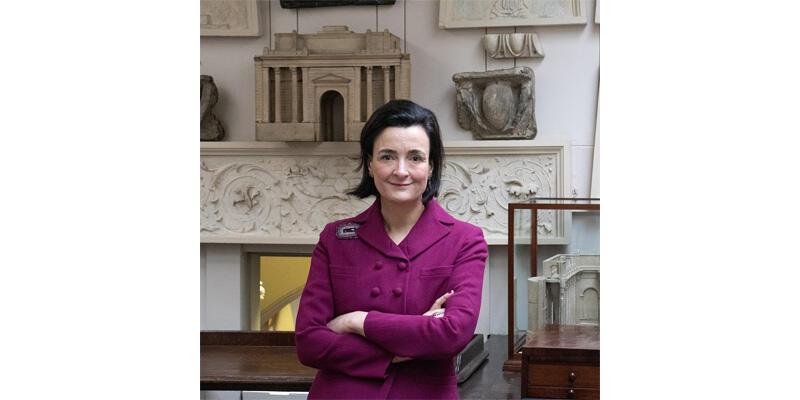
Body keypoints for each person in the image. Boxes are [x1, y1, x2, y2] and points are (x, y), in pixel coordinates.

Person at [295, 99, 488, 399]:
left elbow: (452, 334)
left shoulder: (465, 240)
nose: (401, 171)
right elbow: (309, 343)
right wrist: (402, 347)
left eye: (415, 158)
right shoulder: (335, 238)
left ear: (431, 166)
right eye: (387, 156)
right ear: (370, 164)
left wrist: (355, 321)